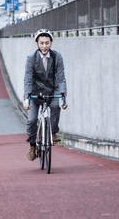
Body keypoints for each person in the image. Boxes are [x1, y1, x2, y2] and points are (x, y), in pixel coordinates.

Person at [23, 28, 68, 161]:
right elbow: (28, 79)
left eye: (47, 43)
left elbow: (61, 78)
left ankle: (53, 132)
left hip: (52, 91)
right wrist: (27, 99)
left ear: (51, 43)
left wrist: (63, 97)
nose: (44, 46)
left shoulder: (57, 57)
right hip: (35, 93)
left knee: (55, 107)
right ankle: (32, 145)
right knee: (31, 120)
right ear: (36, 44)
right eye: (41, 43)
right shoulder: (31, 58)